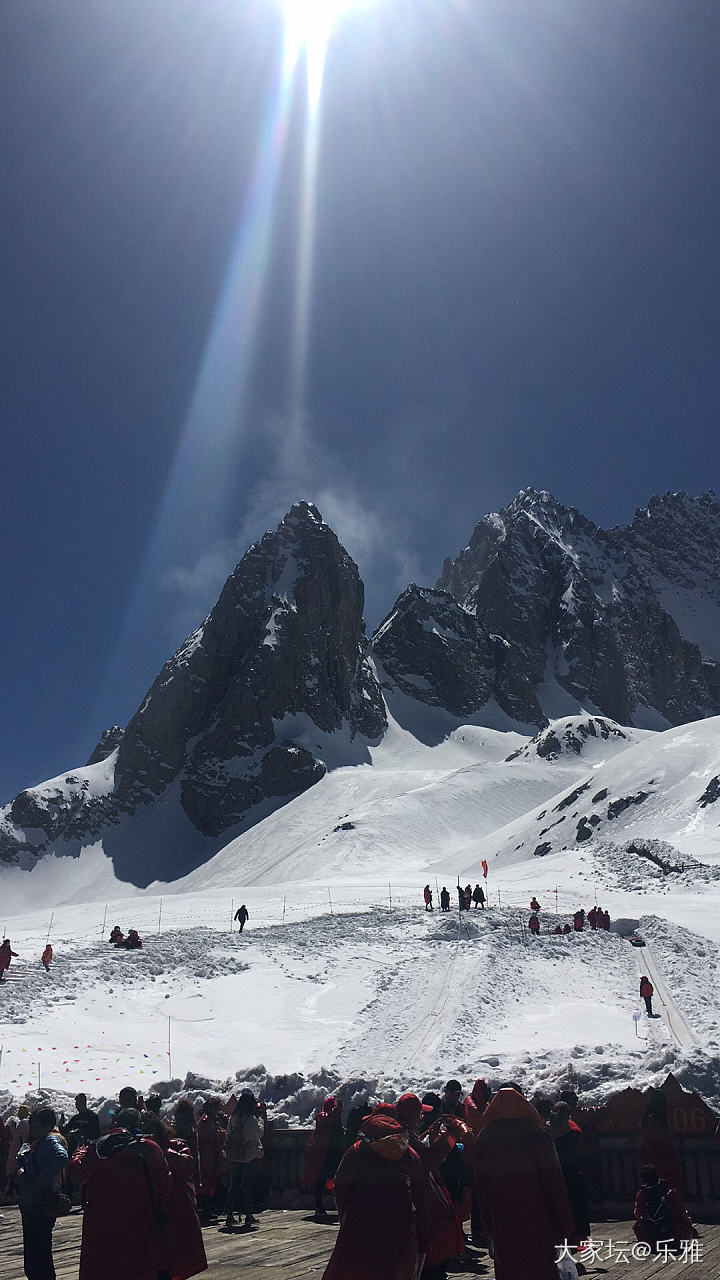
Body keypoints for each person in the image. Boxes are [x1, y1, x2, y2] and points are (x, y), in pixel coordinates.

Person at [473, 1087, 574, 1280]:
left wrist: (487, 1225)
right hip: (537, 1216)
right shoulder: (537, 1135)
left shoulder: (485, 1138)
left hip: (502, 1218)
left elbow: (481, 1187)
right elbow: (553, 1181)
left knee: (509, 1268)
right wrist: (564, 1224)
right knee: (540, 1267)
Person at [321, 1113, 428, 1280]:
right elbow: (420, 1195)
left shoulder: (357, 1151)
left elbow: (340, 1186)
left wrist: (345, 1218)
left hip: (360, 1225)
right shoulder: (409, 1154)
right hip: (400, 1227)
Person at [70, 1107, 171, 1280]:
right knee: (138, 1268)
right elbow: (165, 1186)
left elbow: (77, 1173)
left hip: (102, 1225)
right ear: (140, 1125)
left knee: (104, 1269)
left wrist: (80, 1151)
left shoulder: (98, 1147)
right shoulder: (150, 1149)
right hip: (140, 1222)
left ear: (115, 1123)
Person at [396, 1093, 465, 1279]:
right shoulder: (402, 1139)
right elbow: (428, 1159)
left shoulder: (402, 1135)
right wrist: (449, 1137)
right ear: (411, 1117)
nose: (422, 1118)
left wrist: (430, 1135)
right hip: (421, 1210)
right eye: (419, 1114)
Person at [141, 1112, 208, 1280]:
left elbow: (186, 1165)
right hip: (148, 1215)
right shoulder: (136, 1151)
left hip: (175, 1211)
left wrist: (159, 1151)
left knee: (174, 1261)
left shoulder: (176, 1145)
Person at [14, 1107, 69, 1280]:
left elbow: (62, 1157)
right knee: (34, 1253)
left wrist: (39, 1182)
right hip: (32, 1205)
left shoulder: (49, 1141)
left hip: (40, 1204)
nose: (34, 1130)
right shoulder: (39, 1142)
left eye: (37, 1126)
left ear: (47, 1126)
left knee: (40, 1253)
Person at [549, 1102, 591, 1245]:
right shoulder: (572, 1131)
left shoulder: (546, 1131)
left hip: (555, 1175)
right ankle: (577, 1237)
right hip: (573, 1174)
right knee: (576, 1207)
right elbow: (581, 1153)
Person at [223, 1091, 264, 1230]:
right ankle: (248, 1214)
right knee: (247, 1186)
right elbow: (258, 1134)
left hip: (234, 1155)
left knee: (233, 1185)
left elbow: (228, 1135)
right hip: (248, 1156)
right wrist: (261, 1121)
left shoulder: (233, 1118)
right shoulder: (251, 1119)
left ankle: (229, 1214)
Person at [633, 1163, 697, 1253]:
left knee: (637, 1225)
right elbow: (680, 1211)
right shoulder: (670, 1192)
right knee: (686, 1218)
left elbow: (638, 1213)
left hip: (652, 1238)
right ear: (657, 1175)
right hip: (673, 1235)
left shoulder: (641, 1194)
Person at [303, 1096, 344, 1219]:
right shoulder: (325, 1116)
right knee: (326, 1180)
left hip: (325, 1153)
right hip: (326, 1154)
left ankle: (324, 1206)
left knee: (327, 1180)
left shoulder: (327, 1117)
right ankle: (322, 1206)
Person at [196, 1098, 225, 1225]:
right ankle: (205, 1209)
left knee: (211, 1182)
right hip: (206, 1155)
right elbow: (206, 1136)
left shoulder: (212, 1120)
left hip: (212, 1155)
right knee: (206, 1183)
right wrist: (219, 1135)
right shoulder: (205, 1121)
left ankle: (209, 1208)